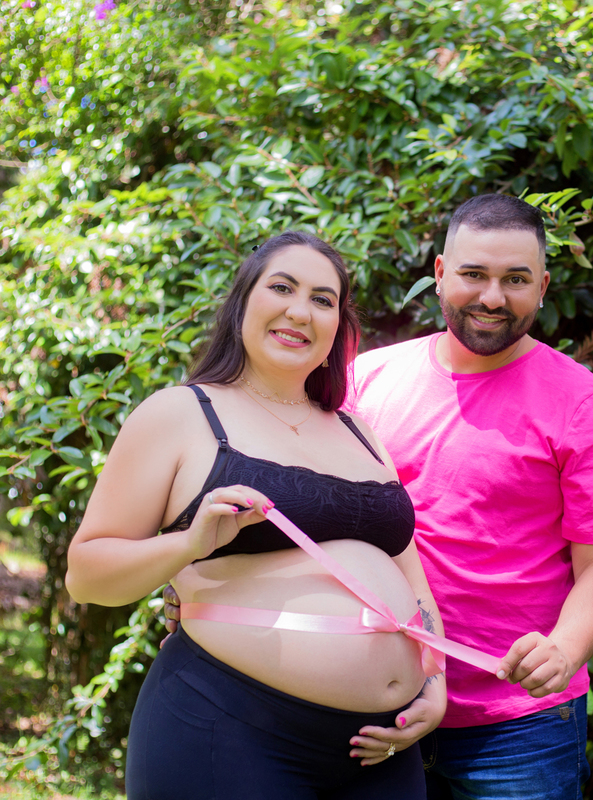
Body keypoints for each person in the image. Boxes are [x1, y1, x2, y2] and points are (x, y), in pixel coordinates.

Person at [165, 194, 593, 798]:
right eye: (474, 274)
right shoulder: (364, 382)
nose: (493, 297)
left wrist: (566, 650)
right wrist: (206, 593)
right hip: (365, 719)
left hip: (517, 724)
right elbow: (289, 510)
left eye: (515, 279)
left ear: (543, 286)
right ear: (440, 274)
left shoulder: (582, 403)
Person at [65, 231, 444, 800]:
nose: (300, 310)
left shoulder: (359, 430)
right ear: (243, 299)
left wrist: (435, 680)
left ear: (339, 324)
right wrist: (187, 545)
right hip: (231, 728)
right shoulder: (179, 414)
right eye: (282, 287)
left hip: (382, 750)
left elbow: (409, 576)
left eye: (323, 299)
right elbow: (87, 575)